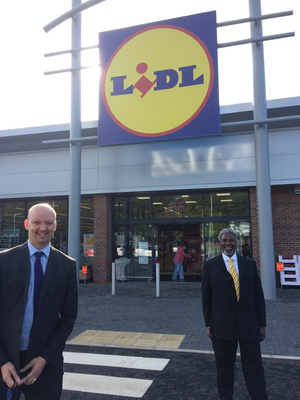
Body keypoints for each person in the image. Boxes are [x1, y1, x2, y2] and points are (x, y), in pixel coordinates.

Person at [0, 203, 78, 400]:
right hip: (6, 359)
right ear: (26, 224)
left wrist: (45, 358)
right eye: (37, 222)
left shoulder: (67, 266)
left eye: (48, 223)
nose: (42, 228)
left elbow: (68, 318)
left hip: (46, 363)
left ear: (55, 226)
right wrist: (2, 361)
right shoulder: (4, 262)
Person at [202, 228, 268, 400]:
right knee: (224, 371)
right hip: (222, 327)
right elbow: (206, 298)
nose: (228, 243)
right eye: (224, 240)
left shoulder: (249, 264)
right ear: (219, 243)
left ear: (236, 242)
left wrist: (262, 324)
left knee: (254, 369)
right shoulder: (210, 265)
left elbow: (258, 296)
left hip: (249, 325)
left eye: (231, 240)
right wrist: (208, 324)